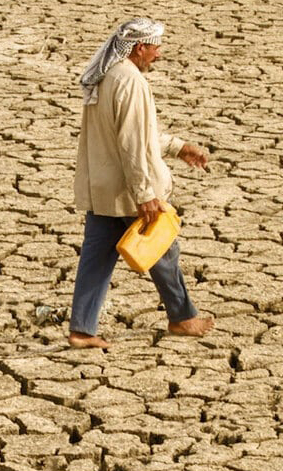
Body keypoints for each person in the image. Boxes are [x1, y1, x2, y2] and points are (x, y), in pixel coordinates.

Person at [66, 17, 213, 348]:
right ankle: (183, 318)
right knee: (164, 250)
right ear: (140, 47)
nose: (159, 55)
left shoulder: (105, 76)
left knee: (95, 259)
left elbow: (138, 135)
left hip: (103, 189)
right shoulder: (130, 82)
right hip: (127, 190)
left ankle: (82, 330)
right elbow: (132, 143)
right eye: (156, 47)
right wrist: (145, 193)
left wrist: (178, 147)